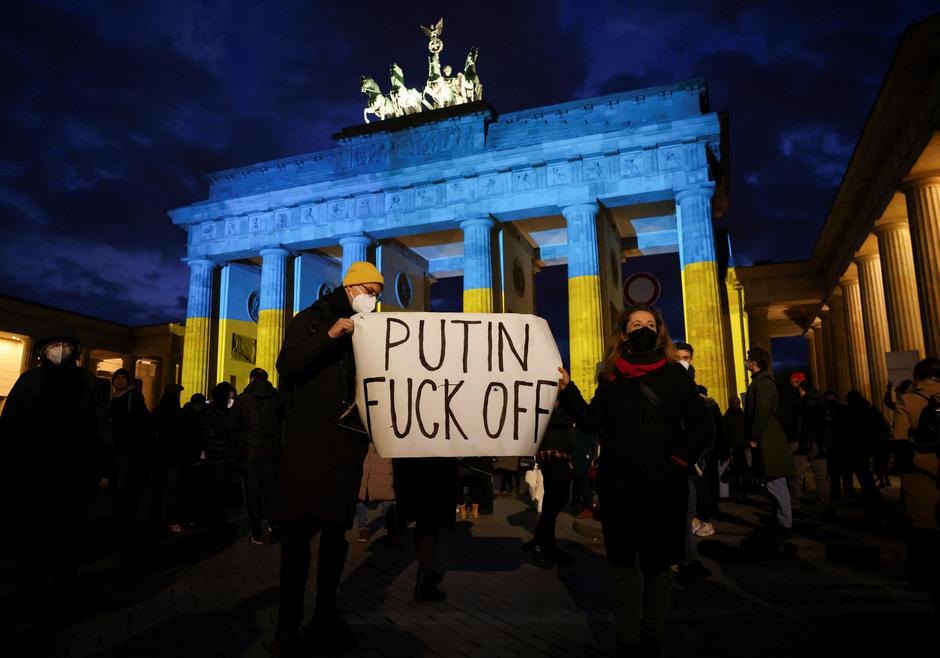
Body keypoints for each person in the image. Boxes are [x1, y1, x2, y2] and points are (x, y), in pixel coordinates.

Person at [557, 304, 710, 655]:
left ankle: (651, 640)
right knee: (624, 567)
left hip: (665, 484)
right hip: (619, 486)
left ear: (659, 332)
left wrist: (679, 461)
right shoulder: (611, 379)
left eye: (650, 324)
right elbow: (592, 421)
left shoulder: (675, 375)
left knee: (658, 568)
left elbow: (700, 423)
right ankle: (628, 642)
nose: (644, 328)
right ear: (624, 334)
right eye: (636, 324)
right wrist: (568, 390)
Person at [272, 261, 383, 656]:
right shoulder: (313, 318)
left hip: (345, 444)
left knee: (337, 536)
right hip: (307, 445)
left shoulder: (371, 325)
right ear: (351, 288)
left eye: (379, 293)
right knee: (298, 539)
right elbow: (287, 365)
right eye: (370, 290)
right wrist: (332, 335)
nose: (375, 298)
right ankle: (287, 626)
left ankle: (325, 616)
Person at [0, 327, 100, 638]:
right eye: (54, 344)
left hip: (71, 474)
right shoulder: (29, 380)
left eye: (65, 344)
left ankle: (62, 596)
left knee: (66, 542)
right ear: (43, 350)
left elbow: (98, 427)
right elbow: (9, 425)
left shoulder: (87, 381)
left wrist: (100, 469)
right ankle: (32, 596)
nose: (59, 349)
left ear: (75, 350)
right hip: (31, 474)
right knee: (30, 542)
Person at [743, 347, 794, 537]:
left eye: (749, 359)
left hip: (767, 438)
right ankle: (782, 520)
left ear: (755, 363)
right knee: (774, 482)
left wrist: (754, 436)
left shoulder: (762, 384)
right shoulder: (763, 382)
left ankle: (785, 523)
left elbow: (761, 411)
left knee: (776, 482)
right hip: (767, 436)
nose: (746, 362)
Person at [231, 367, 282, 544]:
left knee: (252, 491)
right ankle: (271, 524)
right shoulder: (277, 398)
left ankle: (256, 532)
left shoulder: (243, 400)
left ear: (251, 379)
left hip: (249, 452)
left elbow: (231, 425)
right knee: (270, 489)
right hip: (272, 451)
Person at [522, 404, 576, 568]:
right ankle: (541, 542)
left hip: (560, 450)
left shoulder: (561, 398)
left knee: (554, 497)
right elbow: (546, 418)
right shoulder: (547, 397)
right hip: (551, 451)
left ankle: (544, 543)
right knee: (558, 495)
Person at [108, 367, 152, 533]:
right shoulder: (110, 397)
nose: (120, 380)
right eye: (117, 377)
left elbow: (141, 419)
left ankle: (125, 517)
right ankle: (121, 515)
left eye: (123, 378)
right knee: (117, 482)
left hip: (128, 447)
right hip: (114, 445)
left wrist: (119, 422)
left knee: (124, 482)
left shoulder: (133, 397)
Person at [789, 381, 831, 517]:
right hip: (818, 443)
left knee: (797, 476)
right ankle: (824, 506)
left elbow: (796, 423)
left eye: (800, 390)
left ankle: (794, 505)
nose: (799, 392)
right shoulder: (821, 404)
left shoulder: (801, 404)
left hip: (801, 442)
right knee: (821, 477)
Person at [202, 382, 240, 534]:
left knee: (218, 495)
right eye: (230, 396)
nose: (232, 399)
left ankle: (217, 522)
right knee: (217, 495)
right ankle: (216, 524)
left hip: (218, 458)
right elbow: (218, 433)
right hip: (218, 459)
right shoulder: (217, 413)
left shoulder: (215, 412)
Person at [356, 443, 396, 542]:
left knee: (386, 499)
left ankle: (391, 529)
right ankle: (363, 529)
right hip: (366, 463)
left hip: (383, 462)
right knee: (362, 497)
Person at [724, 395, 750, 500]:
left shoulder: (728, 416)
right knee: (740, 470)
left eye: (738, 403)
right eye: (736, 403)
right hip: (739, 446)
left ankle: (740, 491)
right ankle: (741, 492)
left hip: (740, 446)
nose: (737, 405)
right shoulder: (741, 415)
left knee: (738, 471)